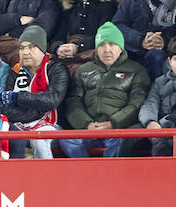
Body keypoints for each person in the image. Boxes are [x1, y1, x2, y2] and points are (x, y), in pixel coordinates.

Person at [60, 22, 149, 158]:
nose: (107, 50)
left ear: (120, 47)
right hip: (88, 129)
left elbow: (137, 103)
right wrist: (86, 124)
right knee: (68, 141)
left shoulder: (136, 70)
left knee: (121, 142)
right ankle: (88, 174)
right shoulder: (83, 70)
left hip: (118, 130)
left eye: (112, 44)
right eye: (102, 45)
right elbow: (73, 101)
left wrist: (113, 123)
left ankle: (109, 177)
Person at [0, 25, 67, 158]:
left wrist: (18, 98)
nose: (25, 52)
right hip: (19, 126)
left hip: (52, 125)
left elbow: (52, 100)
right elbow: (6, 109)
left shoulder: (56, 68)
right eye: (22, 48)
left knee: (38, 139)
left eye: (31, 47)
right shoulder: (15, 71)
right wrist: (37, 110)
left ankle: (46, 177)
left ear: (42, 49)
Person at [50, 0, 120, 68]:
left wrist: (78, 46)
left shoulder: (107, 5)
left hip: (94, 52)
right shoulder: (68, 6)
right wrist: (58, 48)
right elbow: (58, 34)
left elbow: (104, 35)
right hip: (68, 52)